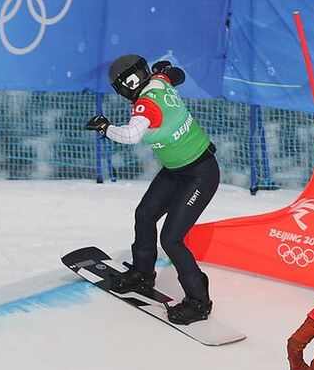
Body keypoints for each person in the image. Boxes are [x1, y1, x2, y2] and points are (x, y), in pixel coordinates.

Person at [83, 54, 218, 325]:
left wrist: (106, 128)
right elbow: (176, 74)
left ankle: (199, 302)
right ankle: (143, 274)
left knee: (171, 239)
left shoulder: (145, 105)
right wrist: (164, 70)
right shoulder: (158, 81)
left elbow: (132, 136)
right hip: (176, 170)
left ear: (124, 87)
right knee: (144, 214)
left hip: (200, 175)